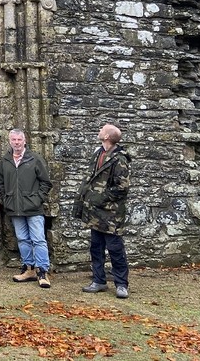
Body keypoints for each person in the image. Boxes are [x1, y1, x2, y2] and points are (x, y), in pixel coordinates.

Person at [74, 123, 132, 299]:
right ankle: (99, 281)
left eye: (102, 129)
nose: (99, 130)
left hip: (111, 214)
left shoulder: (119, 159)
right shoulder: (98, 153)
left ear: (107, 136)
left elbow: (122, 188)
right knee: (96, 247)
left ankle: (121, 284)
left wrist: (100, 198)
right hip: (95, 213)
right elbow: (90, 180)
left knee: (115, 249)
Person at [0, 128, 53, 288]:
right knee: (22, 239)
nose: (16, 142)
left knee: (38, 239)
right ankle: (28, 269)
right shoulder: (5, 160)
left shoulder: (35, 159)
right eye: (13, 140)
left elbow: (46, 183)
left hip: (33, 207)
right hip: (14, 207)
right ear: (9, 141)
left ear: (24, 141)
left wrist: (37, 199)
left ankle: (42, 271)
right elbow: (1, 182)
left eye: (19, 140)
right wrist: (6, 198)